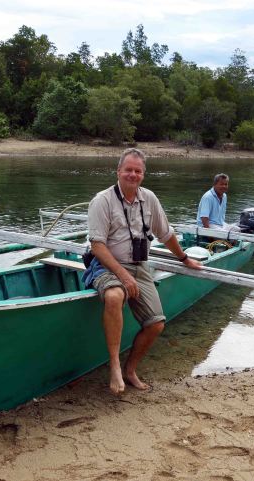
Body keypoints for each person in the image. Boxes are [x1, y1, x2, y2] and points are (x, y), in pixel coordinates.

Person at [86, 148, 202, 395]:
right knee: (115, 296)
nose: (133, 175)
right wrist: (124, 276)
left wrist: (184, 258)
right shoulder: (102, 200)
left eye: (138, 171)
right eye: (128, 170)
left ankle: (130, 370)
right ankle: (115, 366)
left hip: (139, 265)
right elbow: (97, 246)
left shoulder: (149, 199)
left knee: (156, 324)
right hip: (107, 264)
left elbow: (166, 234)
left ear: (143, 174)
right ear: (118, 171)